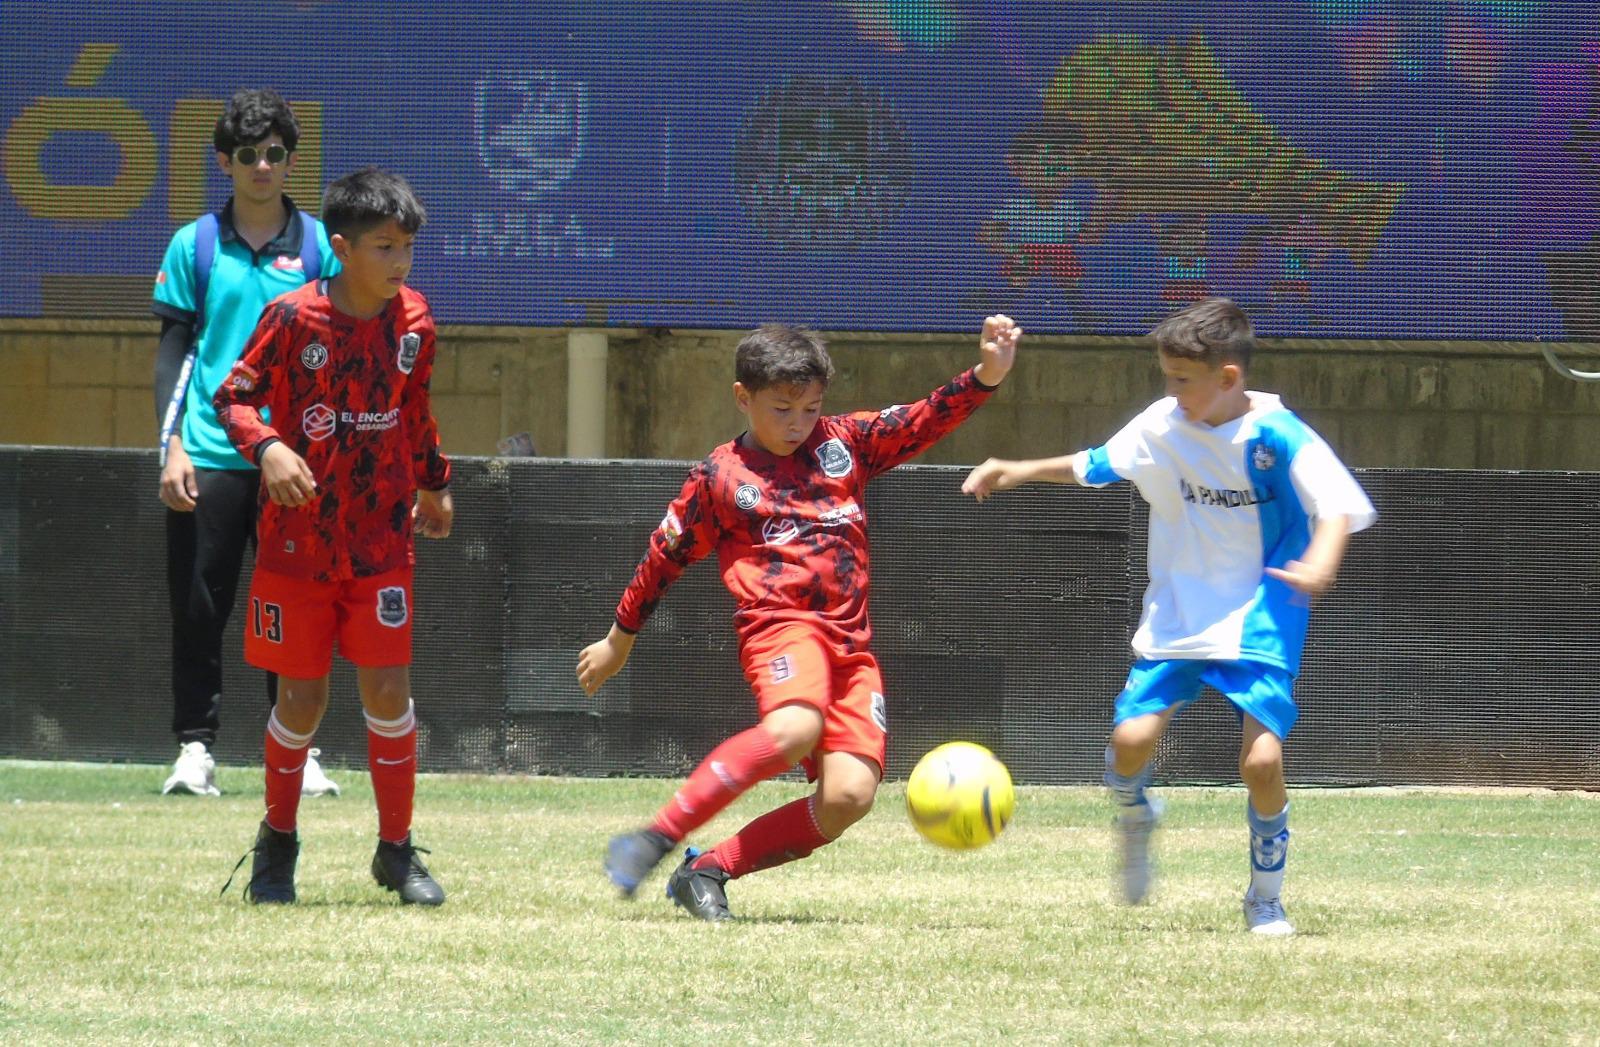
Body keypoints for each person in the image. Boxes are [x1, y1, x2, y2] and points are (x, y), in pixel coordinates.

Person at [578, 316, 1022, 920]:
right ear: (744, 397)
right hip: (781, 626)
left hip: (851, 648)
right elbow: (664, 557)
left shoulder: (845, 444)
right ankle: (657, 836)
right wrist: (617, 639)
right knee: (793, 730)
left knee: (848, 796)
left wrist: (985, 376)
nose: (798, 423)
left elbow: (919, 420)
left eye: (810, 408)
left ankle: (708, 871)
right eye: (782, 408)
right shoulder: (720, 477)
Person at [961, 297, 1375, 936]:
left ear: (1228, 379)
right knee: (1129, 744)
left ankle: (1265, 897)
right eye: (1168, 378)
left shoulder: (1279, 434)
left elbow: (1337, 507)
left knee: (1261, 764)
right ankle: (1135, 813)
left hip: (1264, 612)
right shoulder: (1162, 424)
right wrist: (1018, 470)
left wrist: (1321, 563)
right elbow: (1096, 464)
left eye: (1182, 379)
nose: (1171, 390)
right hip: (1180, 611)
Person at [213, 167, 453, 906]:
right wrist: (270, 447)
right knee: (303, 702)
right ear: (342, 247)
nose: (401, 263)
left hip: (381, 538)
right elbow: (234, 395)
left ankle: (396, 850)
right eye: (385, 247)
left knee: (388, 689)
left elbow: (413, 411)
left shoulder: (415, 321)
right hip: (298, 544)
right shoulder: (292, 318)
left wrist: (435, 482)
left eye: (408, 247)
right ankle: (277, 844)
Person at [152, 88, 340, 800]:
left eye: (275, 154)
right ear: (224, 163)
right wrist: (171, 448)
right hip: (209, 453)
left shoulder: (323, 245)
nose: (262, 167)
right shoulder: (194, 245)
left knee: (296, 607)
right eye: (248, 156)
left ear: (290, 161)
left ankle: (298, 748)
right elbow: (174, 357)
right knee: (200, 605)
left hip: (296, 462)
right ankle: (195, 748)